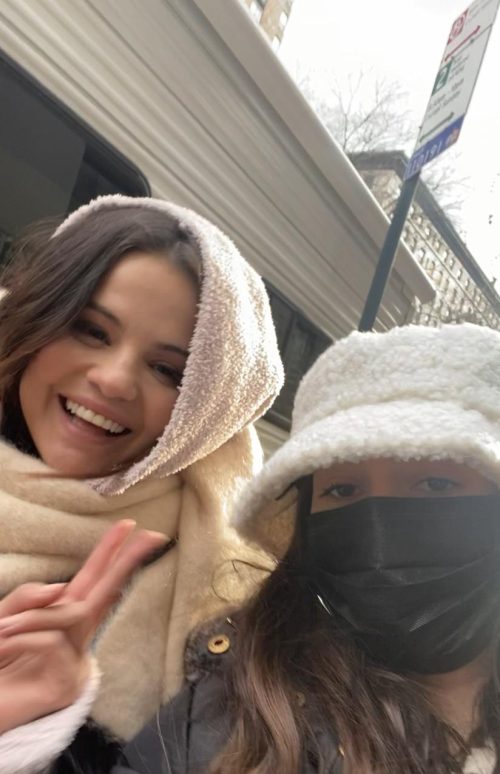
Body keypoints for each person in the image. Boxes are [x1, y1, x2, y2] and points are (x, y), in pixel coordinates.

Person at [8, 322, 500, 774]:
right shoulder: (236, 708)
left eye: (436, 483)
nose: (379, 528)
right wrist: (20, 737)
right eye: (343, 490)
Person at [0, 194, 283, 764]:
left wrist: (33, 731)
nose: (113, 380)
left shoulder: (227, 605)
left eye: (167, 371)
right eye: (91, 330)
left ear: (207, 411)